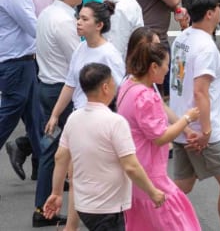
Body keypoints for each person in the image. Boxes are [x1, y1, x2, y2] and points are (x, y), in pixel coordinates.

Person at [42, 63, 166, 231]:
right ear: (105, 87)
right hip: (109, 207)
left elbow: (60, 157)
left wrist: (56, 192)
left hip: (83, 205)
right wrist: (152, 192)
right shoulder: (116, 122)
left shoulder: (73, 118)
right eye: (113, 81)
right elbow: (131, 166)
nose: (116, 84)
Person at [170, 0, 220, 231]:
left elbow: (187, 78)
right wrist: (207, 132)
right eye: (218, 7)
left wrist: (217, 89)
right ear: (210, 13)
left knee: (182, 185)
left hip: (181, 126)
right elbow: (199, 91)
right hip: (202, 129)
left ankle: (150, 215)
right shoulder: (207, 47)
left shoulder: (182, 38)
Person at [118, 38, 201, 230]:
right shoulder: (146, 97)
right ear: (153, 67)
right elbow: (160, 137)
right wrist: (187, 119)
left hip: (136, 171)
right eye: (166, 65)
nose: (168, 70)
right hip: (151, 173)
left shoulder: (128, 86)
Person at [0, 0, 51, 223]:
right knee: (8, 116)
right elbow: (34, 26)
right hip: (16, 63)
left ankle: (47, 166)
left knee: (35, 117)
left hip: (18, 62)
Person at [30, 0, 83, 227]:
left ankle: (44, 206)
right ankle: (44, 208)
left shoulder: (48, 13)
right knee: (58, 151)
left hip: (46, 85)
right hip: (61, 91)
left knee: (52, 148)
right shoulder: (65, 22)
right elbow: (78, 60)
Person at [47, 1, 126, 124]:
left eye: (84, 19)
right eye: (78, 18)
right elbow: (70, 84)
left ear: (99, 25)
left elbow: (120, 91)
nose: (78, 22)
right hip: (78, 114)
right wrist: (55, 115)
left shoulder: (110, 54)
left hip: (99, 121)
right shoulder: (80, 47)